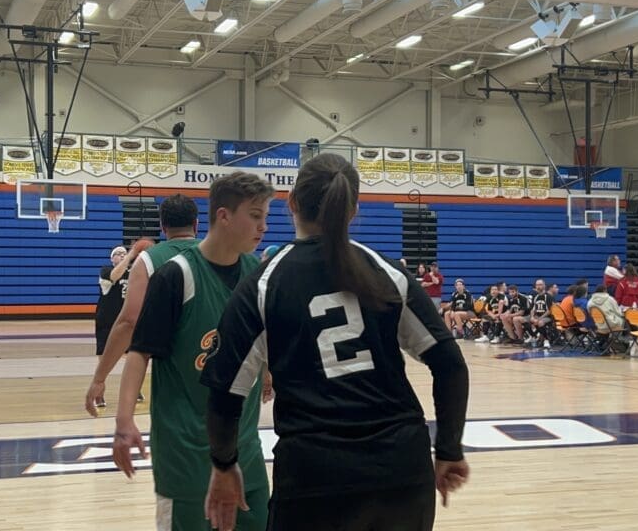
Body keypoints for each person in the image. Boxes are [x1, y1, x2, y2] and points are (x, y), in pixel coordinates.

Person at [200, 153, 470, 531]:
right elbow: (450, 365)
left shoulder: (264, 284)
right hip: (400, 472)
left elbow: (225, 393)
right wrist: (448, 450)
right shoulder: (388, 272)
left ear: (292, 202)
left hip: (314, 478)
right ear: (353, 209)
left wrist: (224, 465)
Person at [113, 172, 275, 531]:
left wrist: (267, 371)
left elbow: (264, 340)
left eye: (265, 216)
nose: (263, 226)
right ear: (223, 216)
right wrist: (125, 421)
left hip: (242, 447)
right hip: (185, 452)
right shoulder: (176, 275)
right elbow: (140, 352)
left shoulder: (258, 276)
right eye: (255, 215)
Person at [86, 194, 200, 416]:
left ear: (162, 225)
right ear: (197, 223)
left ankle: (128, 392)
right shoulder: (218, 255)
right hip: (212, 359)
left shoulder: (148, 260)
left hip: (169, 362)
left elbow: (129, 321)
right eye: (116, 254)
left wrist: (99, 378)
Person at [92, 244, 137, 408]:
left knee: (133, 357)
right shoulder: (105, 271)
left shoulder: (133, 273)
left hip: (125, 322)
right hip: (106, 322)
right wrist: (129, 257)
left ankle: (134, 390)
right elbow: (114, 277)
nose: (122, 256)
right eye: (118, 254)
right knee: (103, 361)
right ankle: (99, 395)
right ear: (112, 259)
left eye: (124, 253)